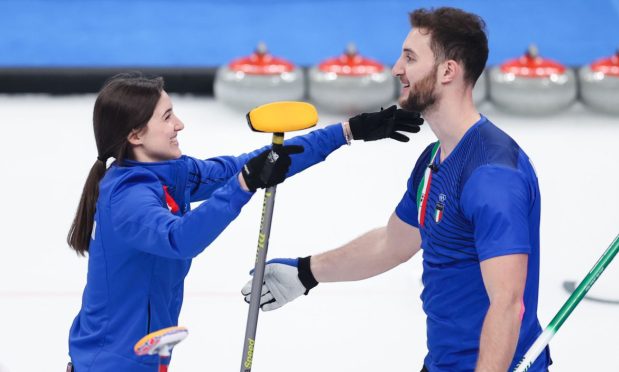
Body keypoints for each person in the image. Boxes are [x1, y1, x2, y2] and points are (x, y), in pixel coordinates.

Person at [242, 7, 552, 372]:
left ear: (448, 71)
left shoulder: (492, 176)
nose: (396, 69)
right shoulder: (435, 158)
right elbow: (392, 242)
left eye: (410, 58)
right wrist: (307, 272)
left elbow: (507, 304)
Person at [66, 72, 423, 371]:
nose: (180, 124)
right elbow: (180, 240)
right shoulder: (127, 199)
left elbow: (250, 165)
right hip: (112, 363)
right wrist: (242, 185)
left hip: (143, 354)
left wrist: (348, 131)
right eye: (167, 116)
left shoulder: (169, 173)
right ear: (135, 135)